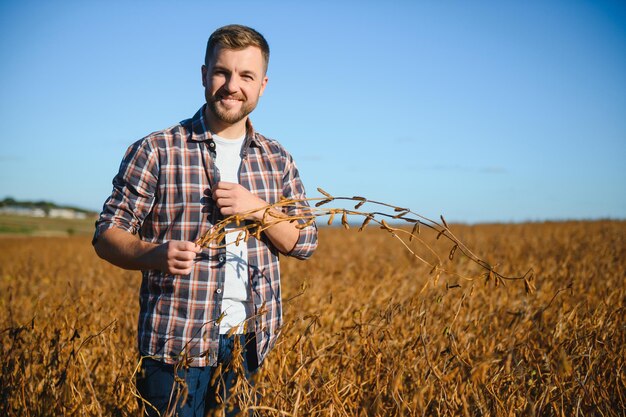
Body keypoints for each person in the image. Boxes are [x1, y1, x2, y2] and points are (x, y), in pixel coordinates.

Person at [93, 24, 318, 416]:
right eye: (222, 72)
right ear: (203, 75)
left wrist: (257, 209)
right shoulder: (156, 150)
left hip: (249, 343)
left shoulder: (277, 158)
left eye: (246, 76)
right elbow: (106, 234)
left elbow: (305, 242)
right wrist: (153, 254)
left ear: (262, 85)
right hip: (173, 344)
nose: (232, 86)